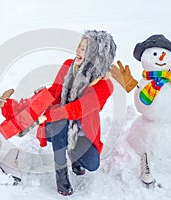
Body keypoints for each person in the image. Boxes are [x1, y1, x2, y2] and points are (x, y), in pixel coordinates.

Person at [36, 30, 117, 196]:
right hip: (57, 124)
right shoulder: (68, 65)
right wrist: (39, 101)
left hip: (81, 132)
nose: (78, 51)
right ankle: (61, 173)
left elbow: (78, 108)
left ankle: (74, 153)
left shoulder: (104, 85)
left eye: (85, 49)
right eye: (80, 47)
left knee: (92, 164)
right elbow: (55, 92)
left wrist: (51, 114)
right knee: (60, 123)